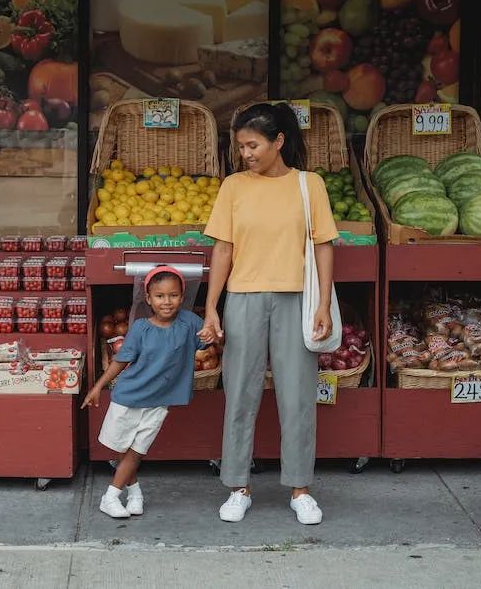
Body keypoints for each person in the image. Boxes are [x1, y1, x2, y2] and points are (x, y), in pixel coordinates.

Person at [199, 102, 339, 526]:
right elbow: (223, 249)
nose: (246, 153)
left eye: (253, 144)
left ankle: (300, 489)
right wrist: (211, 306)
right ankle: (238, 486)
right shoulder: (233, 187)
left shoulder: (308, 184)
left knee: (297, 396)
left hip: (296, 298)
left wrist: (322, 304)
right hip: (243, 298)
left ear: (278, 141)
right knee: (240, 392)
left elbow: (323, 246)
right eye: (241, 146)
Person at [83, 266, 213, 518]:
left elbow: (208, 339)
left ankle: (109, 497)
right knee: (123, 449)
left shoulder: (189, 322)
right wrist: (98, 387)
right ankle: (135, 493)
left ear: (182, 297)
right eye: (160, 296)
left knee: (136, 452)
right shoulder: (141, 328)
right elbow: (121, 360)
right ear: (149, 299)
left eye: (173, 295)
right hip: (129, 397)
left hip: (158, 403)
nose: (167, 301)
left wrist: (213, 333)